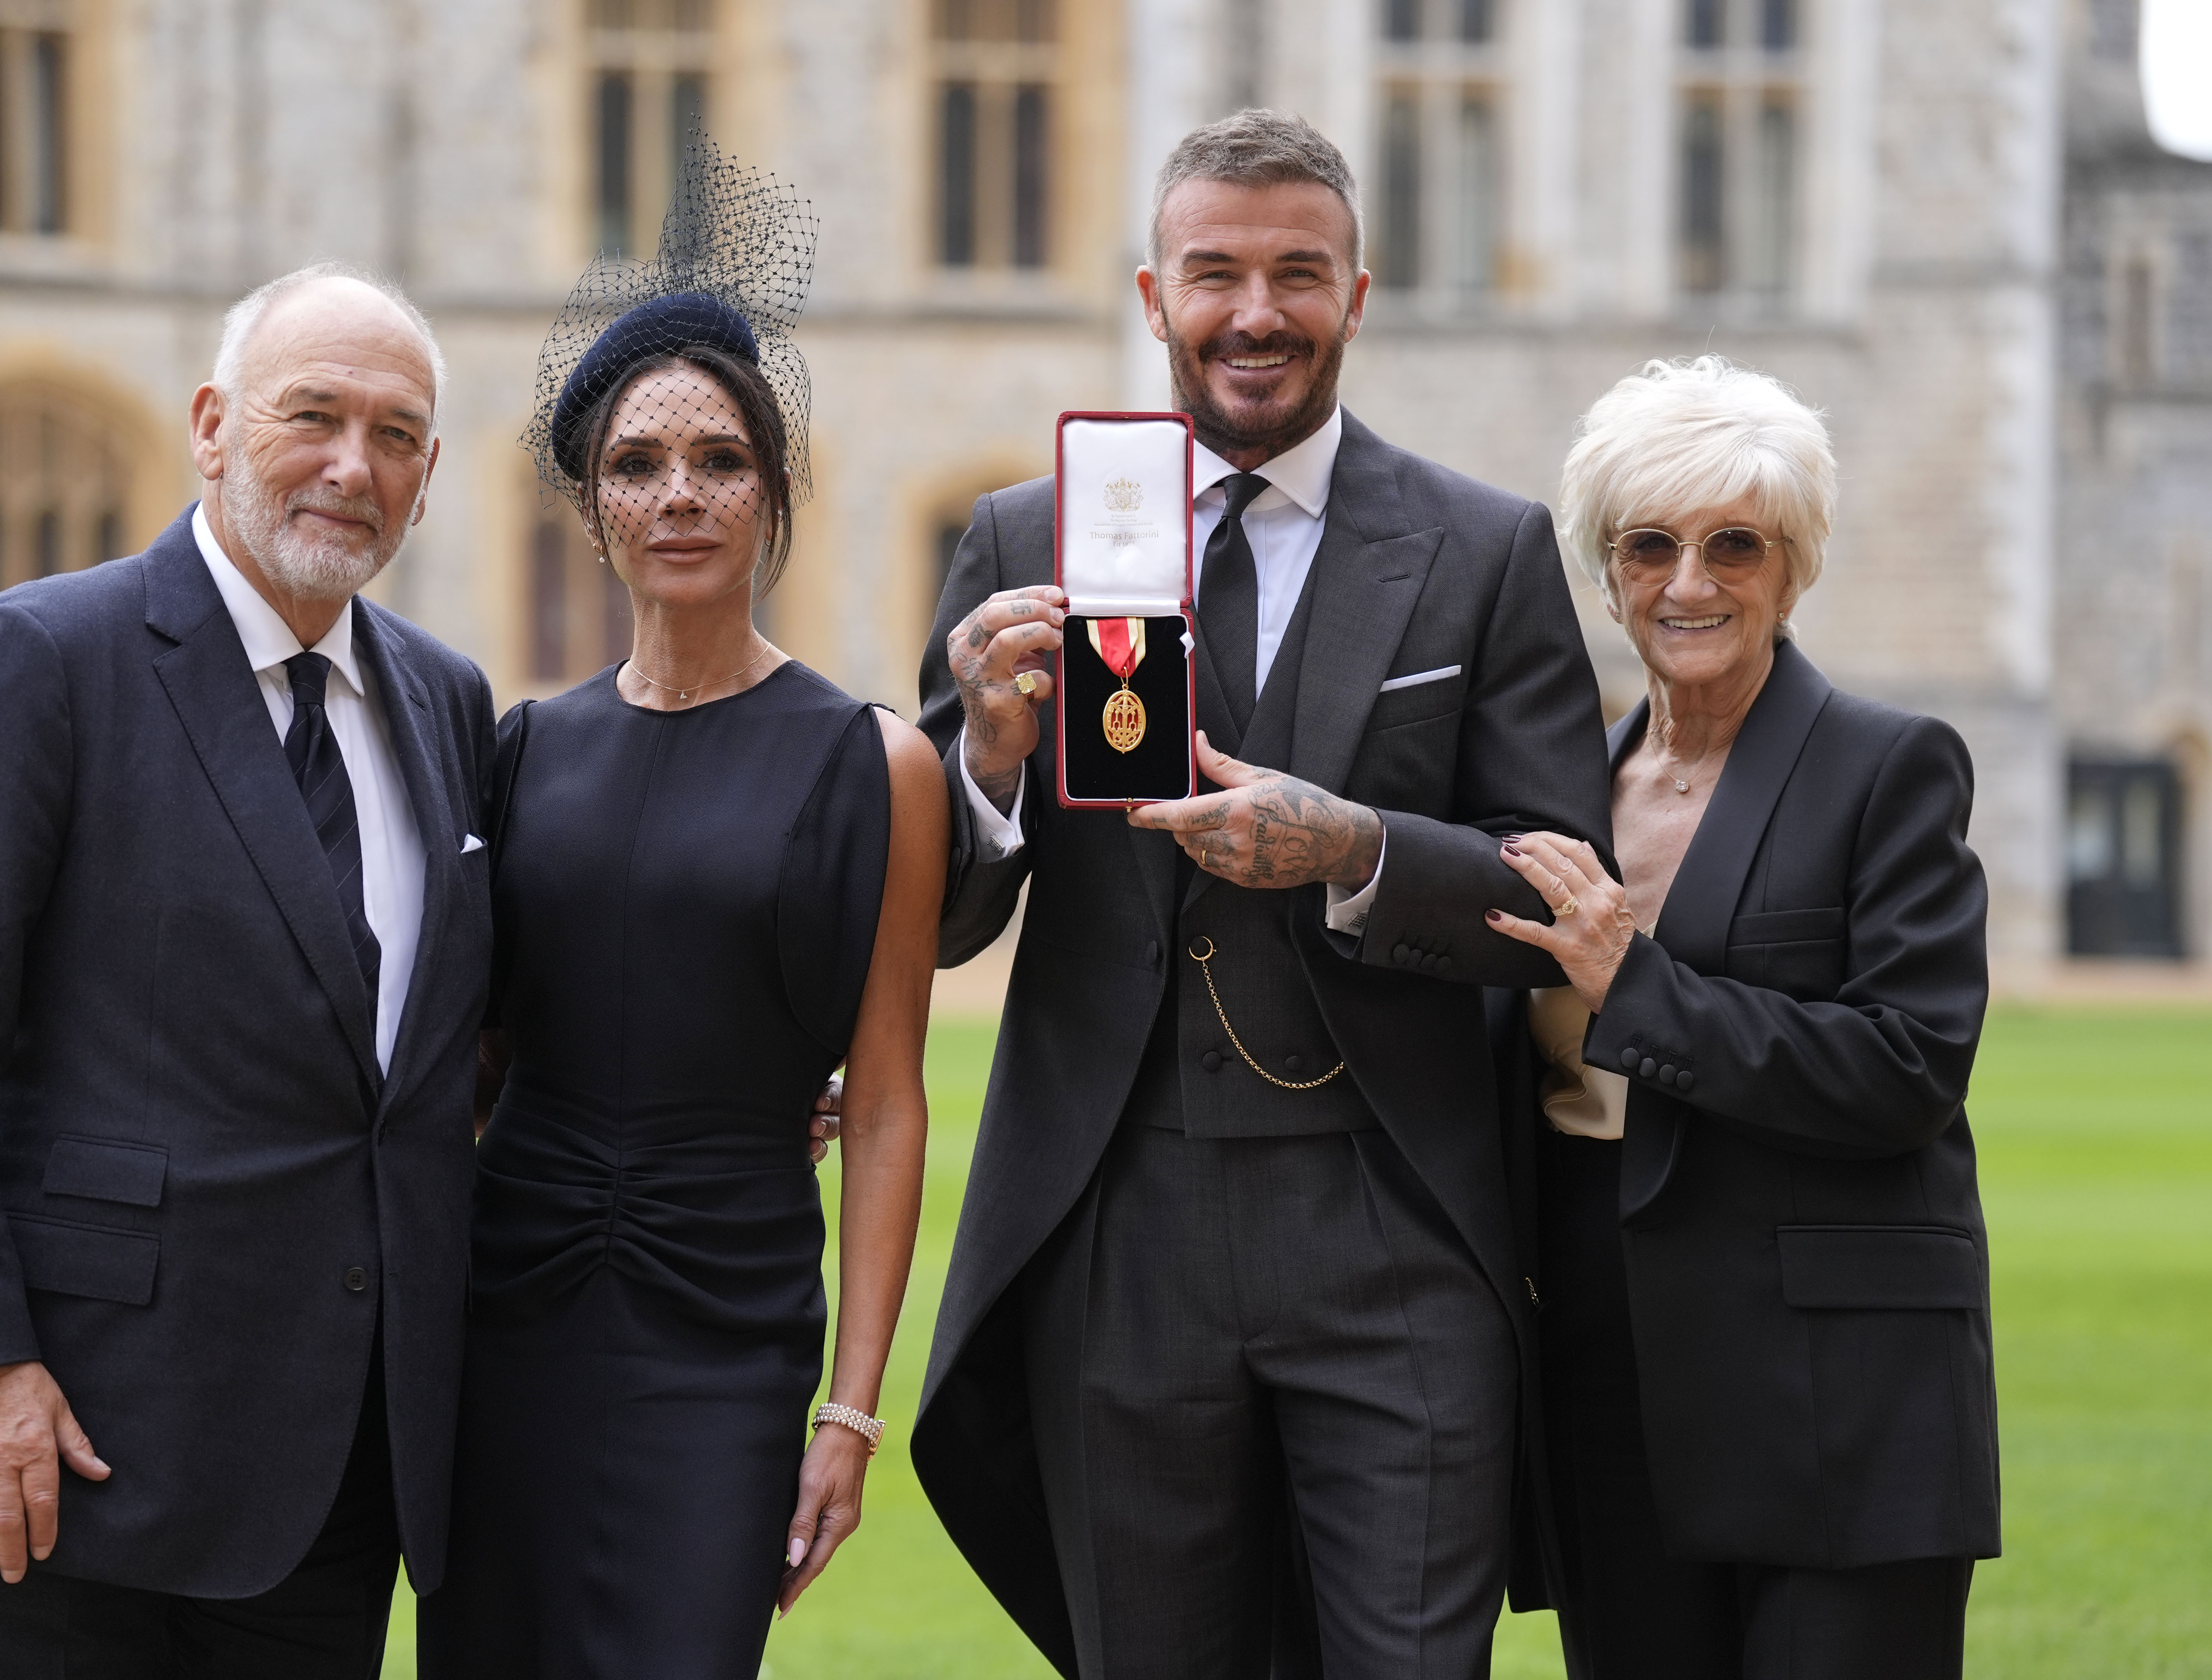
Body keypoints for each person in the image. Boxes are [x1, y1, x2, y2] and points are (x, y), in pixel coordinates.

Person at [910, 110, 1611, 1679]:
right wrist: (992, 766)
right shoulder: (1029, 541)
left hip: (1397, 1224)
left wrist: (1358, 848)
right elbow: (947, 919)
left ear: (1358, 296)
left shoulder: (1484, 552)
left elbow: (1561, 883)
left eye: (1300, 273)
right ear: (1152, 297)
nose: (1257, 313)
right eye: (1214, 273)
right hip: (1121, 1220)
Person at [0, 265, 500, 1675]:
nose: (353, 466)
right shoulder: (36, 659)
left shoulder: (445, 700)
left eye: (399, 435)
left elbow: (442, 1052)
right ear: (211, 425)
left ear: (428, 477)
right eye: (314, 416)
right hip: (54, 1465)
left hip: (335, 1484)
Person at [417, 144, 944, 1680]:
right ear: (592, 504)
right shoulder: (523, 749)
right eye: (640, 464)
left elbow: (895, 1100)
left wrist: (849, 1409)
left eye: (720, 459)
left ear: (773, 492)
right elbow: (477, 1054)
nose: (681, 493)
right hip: (508, 1317)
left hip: (729, 1328)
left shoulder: (875, 764)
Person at [1485, 356, 1997, 1680]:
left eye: (1734, 545)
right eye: (1650, 545)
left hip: (1836, 1394)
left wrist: (1635, 982)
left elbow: (1909, 1069)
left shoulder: (1890, 767)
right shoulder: (1557, 791)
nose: (1691, 582)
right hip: (1608, 1377)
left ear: (1795, 564)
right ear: (1608, 573)